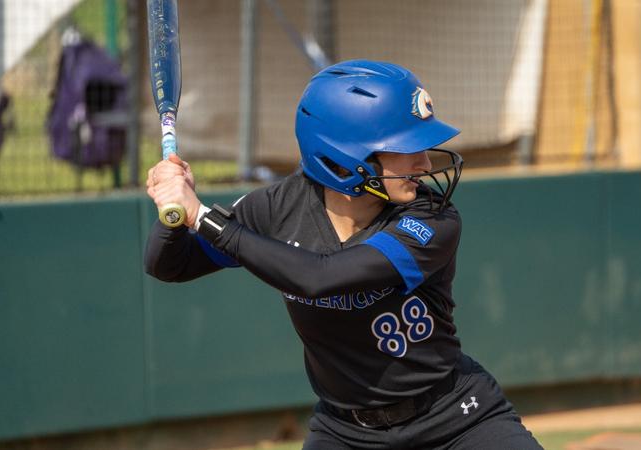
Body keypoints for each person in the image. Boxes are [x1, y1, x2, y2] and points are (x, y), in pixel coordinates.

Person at [145, 60, 543, 449]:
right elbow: (169, 265)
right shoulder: (277, 208)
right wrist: (174, 207)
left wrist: (204, 217)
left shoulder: (432, 217)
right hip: (346, 432)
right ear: (348, 158)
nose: (425, 163)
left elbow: (321, 277)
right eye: (406, 149)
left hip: (455, 418)